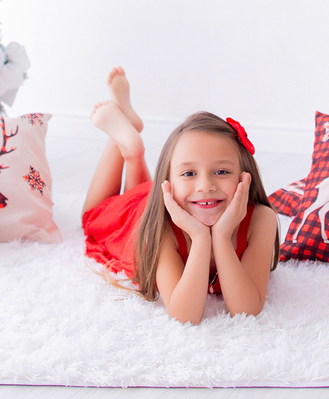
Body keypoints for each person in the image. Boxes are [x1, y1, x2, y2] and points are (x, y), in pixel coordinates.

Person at [82, 67, 280, 325]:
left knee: (138, 193)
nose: (205, 186)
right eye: (189, 173)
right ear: (168, 183)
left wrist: (221, 236)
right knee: (92, 215)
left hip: (172, 201)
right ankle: (128, 147)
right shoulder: (161, 226)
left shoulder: (260, 219)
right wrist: (200, 238)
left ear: (245, 176)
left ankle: (131, 145)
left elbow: (247, 309)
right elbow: (185, 315)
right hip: (141, 216)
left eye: (221, 171)